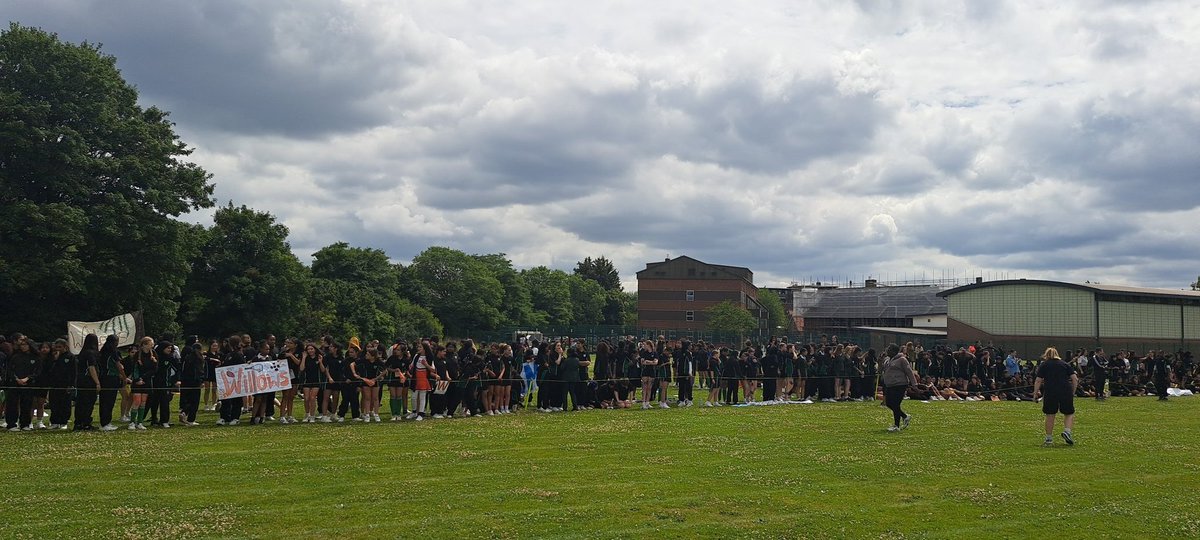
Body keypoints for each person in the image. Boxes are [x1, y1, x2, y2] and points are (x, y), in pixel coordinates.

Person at [1033, 347, 1078, 446]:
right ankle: (1067, 431)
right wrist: (1073, 391)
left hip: (1050, 391)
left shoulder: (1044, 365)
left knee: (1050, 414)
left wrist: (1035, 393)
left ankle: (1049, 438)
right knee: (1069, 413)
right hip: (1065, 390)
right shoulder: (1064, 364)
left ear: (1046, 355)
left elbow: (1038, 380)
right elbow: (1075, 379)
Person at [879, 344, 917, 432]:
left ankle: (896, 425)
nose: (887, 351)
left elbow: (909, 372)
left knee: (895, 404)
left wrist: (914, 384)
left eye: (888, 349)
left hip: (900, 384)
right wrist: (880, 361)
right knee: (888, 403)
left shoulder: (902, 360)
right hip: (889, 385)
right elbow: (881, 370)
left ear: (894, 351)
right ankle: (905, 416)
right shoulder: (887, 360)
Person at [74, 333, 102, 431]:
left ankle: (78, 423)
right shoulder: (91, 353)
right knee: (88, 402)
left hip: (80, 380)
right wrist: (97, 382)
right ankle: (85, 423)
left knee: (80, 402)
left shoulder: (82, 353)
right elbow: (91, 367)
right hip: (88, 380)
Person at [97, 335, 125, 431]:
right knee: (109, 401)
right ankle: (106, 423)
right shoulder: (113, 352)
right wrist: (124, 377)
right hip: (111, 378)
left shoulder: (102, 351)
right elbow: (119, 366)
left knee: (103, 401)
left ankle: (104, 422)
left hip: (103, 377)